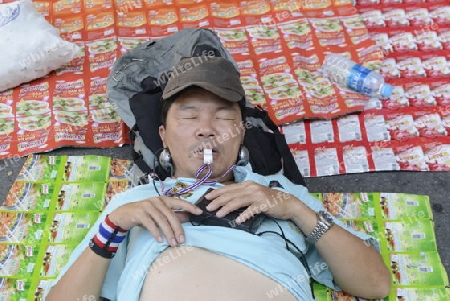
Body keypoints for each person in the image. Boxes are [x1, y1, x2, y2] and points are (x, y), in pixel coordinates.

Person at [46, 57, 391, 301]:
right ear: (163, 136)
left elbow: (374, 285)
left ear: (241, 134)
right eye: (190, 115)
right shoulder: (133, 206)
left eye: (224, 116)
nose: (206, 129)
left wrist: (296, 210)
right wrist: (114, 227)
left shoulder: (278, 192)